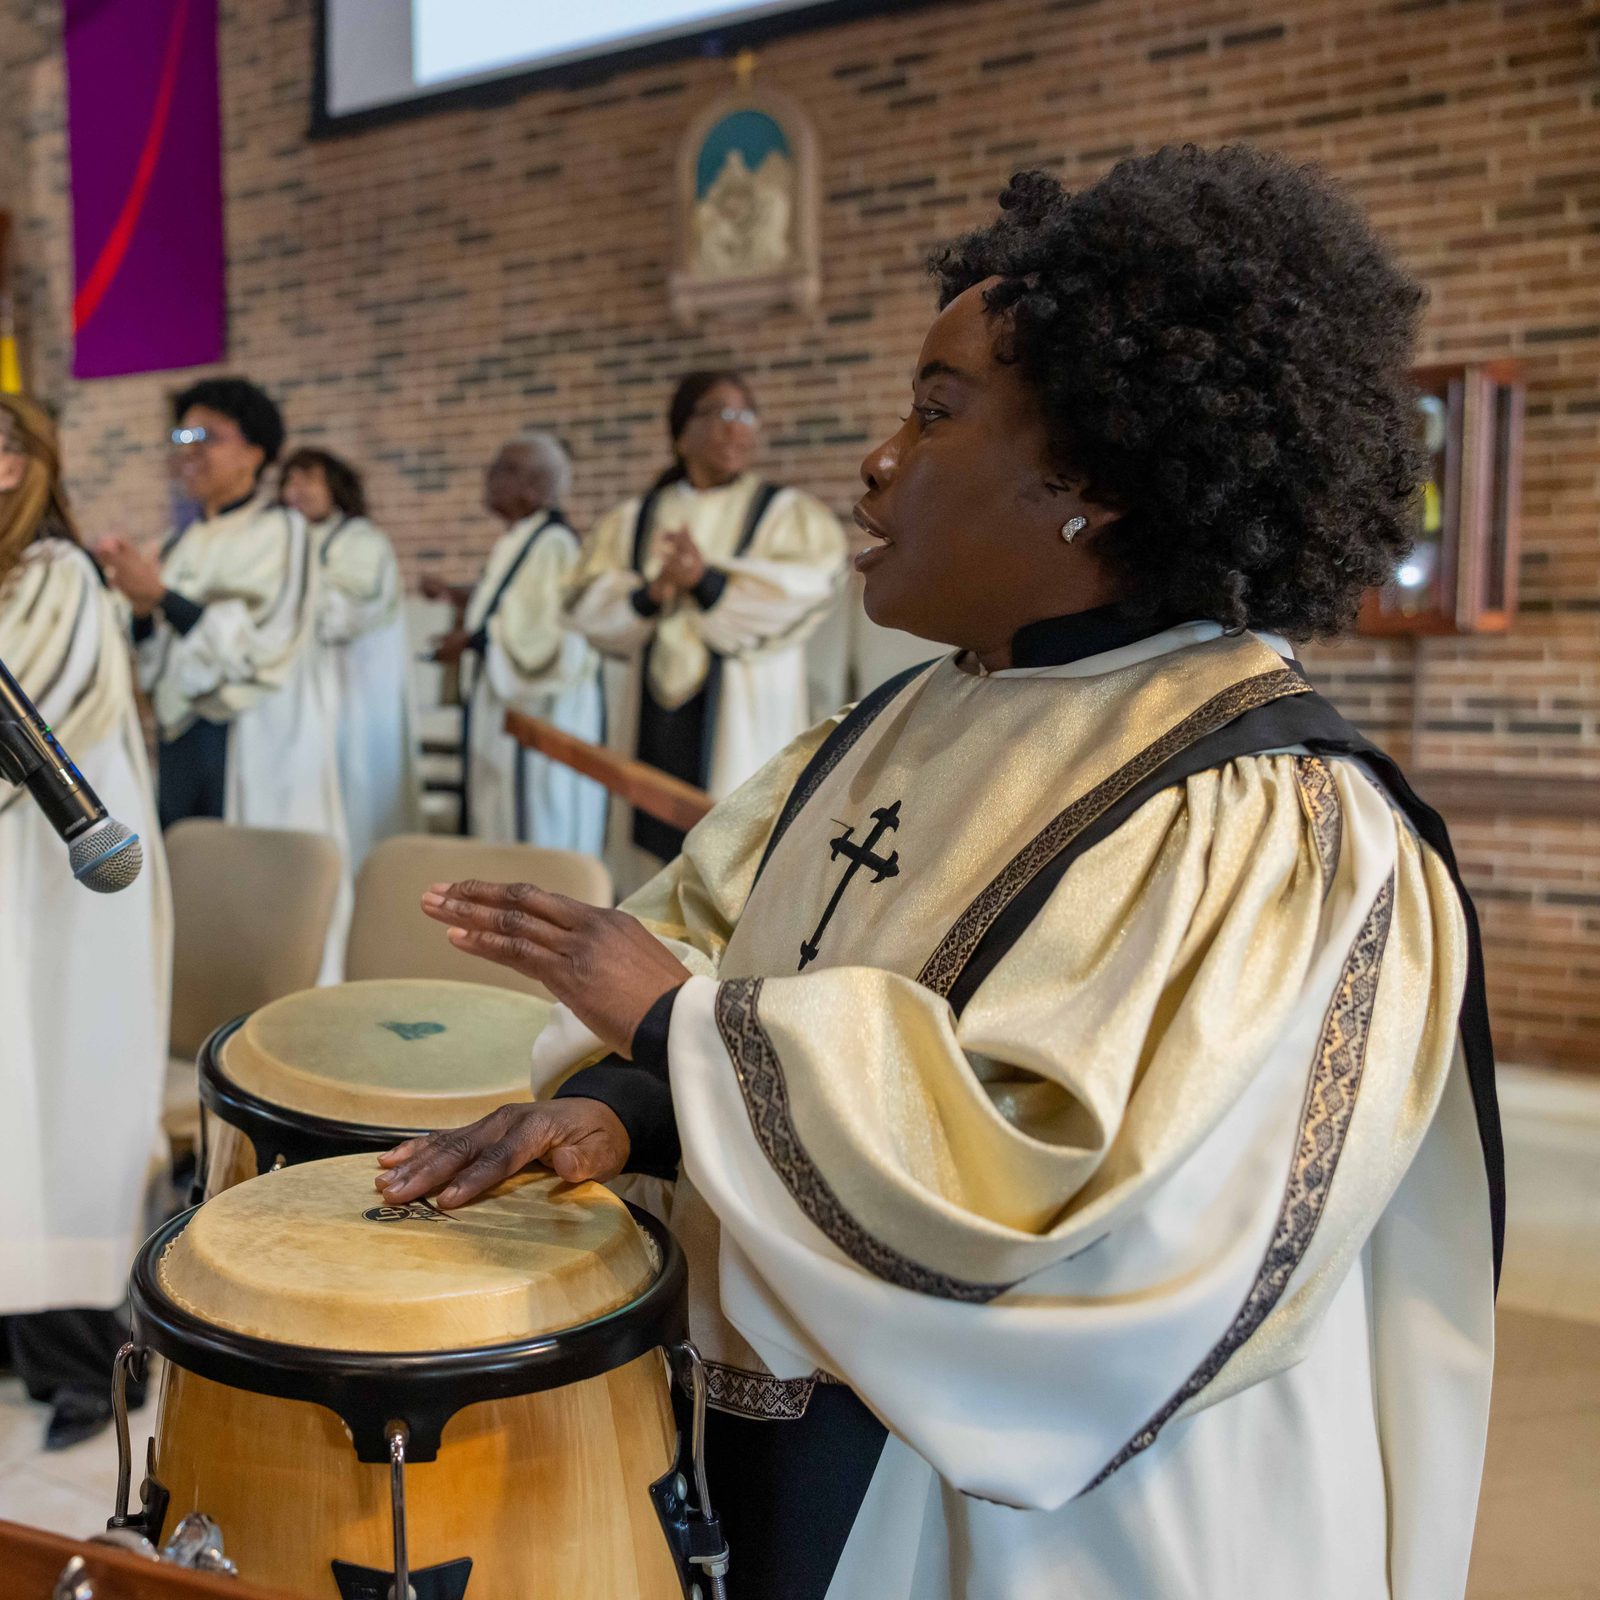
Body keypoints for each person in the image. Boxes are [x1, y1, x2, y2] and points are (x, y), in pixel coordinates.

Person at [377, 148, 1500, 1600]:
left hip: (1068, 1524)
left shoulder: (1270, 811)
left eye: (934, 409)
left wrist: (681, 1030)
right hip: (801, 1424)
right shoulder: (906, 719)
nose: (878, 458)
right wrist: (625, 1106)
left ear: (1088, 475)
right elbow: (723, 937)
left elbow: (1079, 1201)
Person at [0, 395, 171, 1449]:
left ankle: (79, 1352)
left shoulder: (58, 574)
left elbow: (37, 724)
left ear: (18, 465)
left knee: (59, 1098)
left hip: (57, 876)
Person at [98, 377, 348, 977]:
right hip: (186, 734)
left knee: (256, 889)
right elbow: (157, 659)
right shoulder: (180, 541)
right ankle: (189, 992)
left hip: (255, 732)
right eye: (183, 434)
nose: (190, 450)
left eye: (207, 436)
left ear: (256, 451)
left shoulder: (283, 531)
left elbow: (265, 640)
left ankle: (261, 999)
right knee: (185, 874)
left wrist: (161, 596)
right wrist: (140, 611)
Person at [565, 372, 846, 893]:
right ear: (680, 432)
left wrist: (706, 580)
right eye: (719, 413)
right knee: (649, 864)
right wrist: (652, 593)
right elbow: (586, 600)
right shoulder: (634, 519)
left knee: (735, 859)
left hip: (745, 712)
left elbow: (805, 587)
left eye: (746, 415)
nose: (735, 428)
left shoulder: (785, 514)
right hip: (654, 712)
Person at [426, 433, 605, 853]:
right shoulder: (520, 538)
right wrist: (459, 598)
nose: (489, 476)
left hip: (538, 710)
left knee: (535, 824)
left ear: (538, 488)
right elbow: (510, 607)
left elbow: (540, 632)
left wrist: (473, 641)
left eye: (505, 469)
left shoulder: (553, 545)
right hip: (502, 705)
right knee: (499, 819)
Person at [281, 446, 418, 870]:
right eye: (290, 480)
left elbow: (343, 612)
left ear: (335, 487)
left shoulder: (360, 540)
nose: (296, 490)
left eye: (309, 479)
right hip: (306, 691)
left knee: (355, 792)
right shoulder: (289, 539)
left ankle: (364, 883)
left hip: (354, 694)